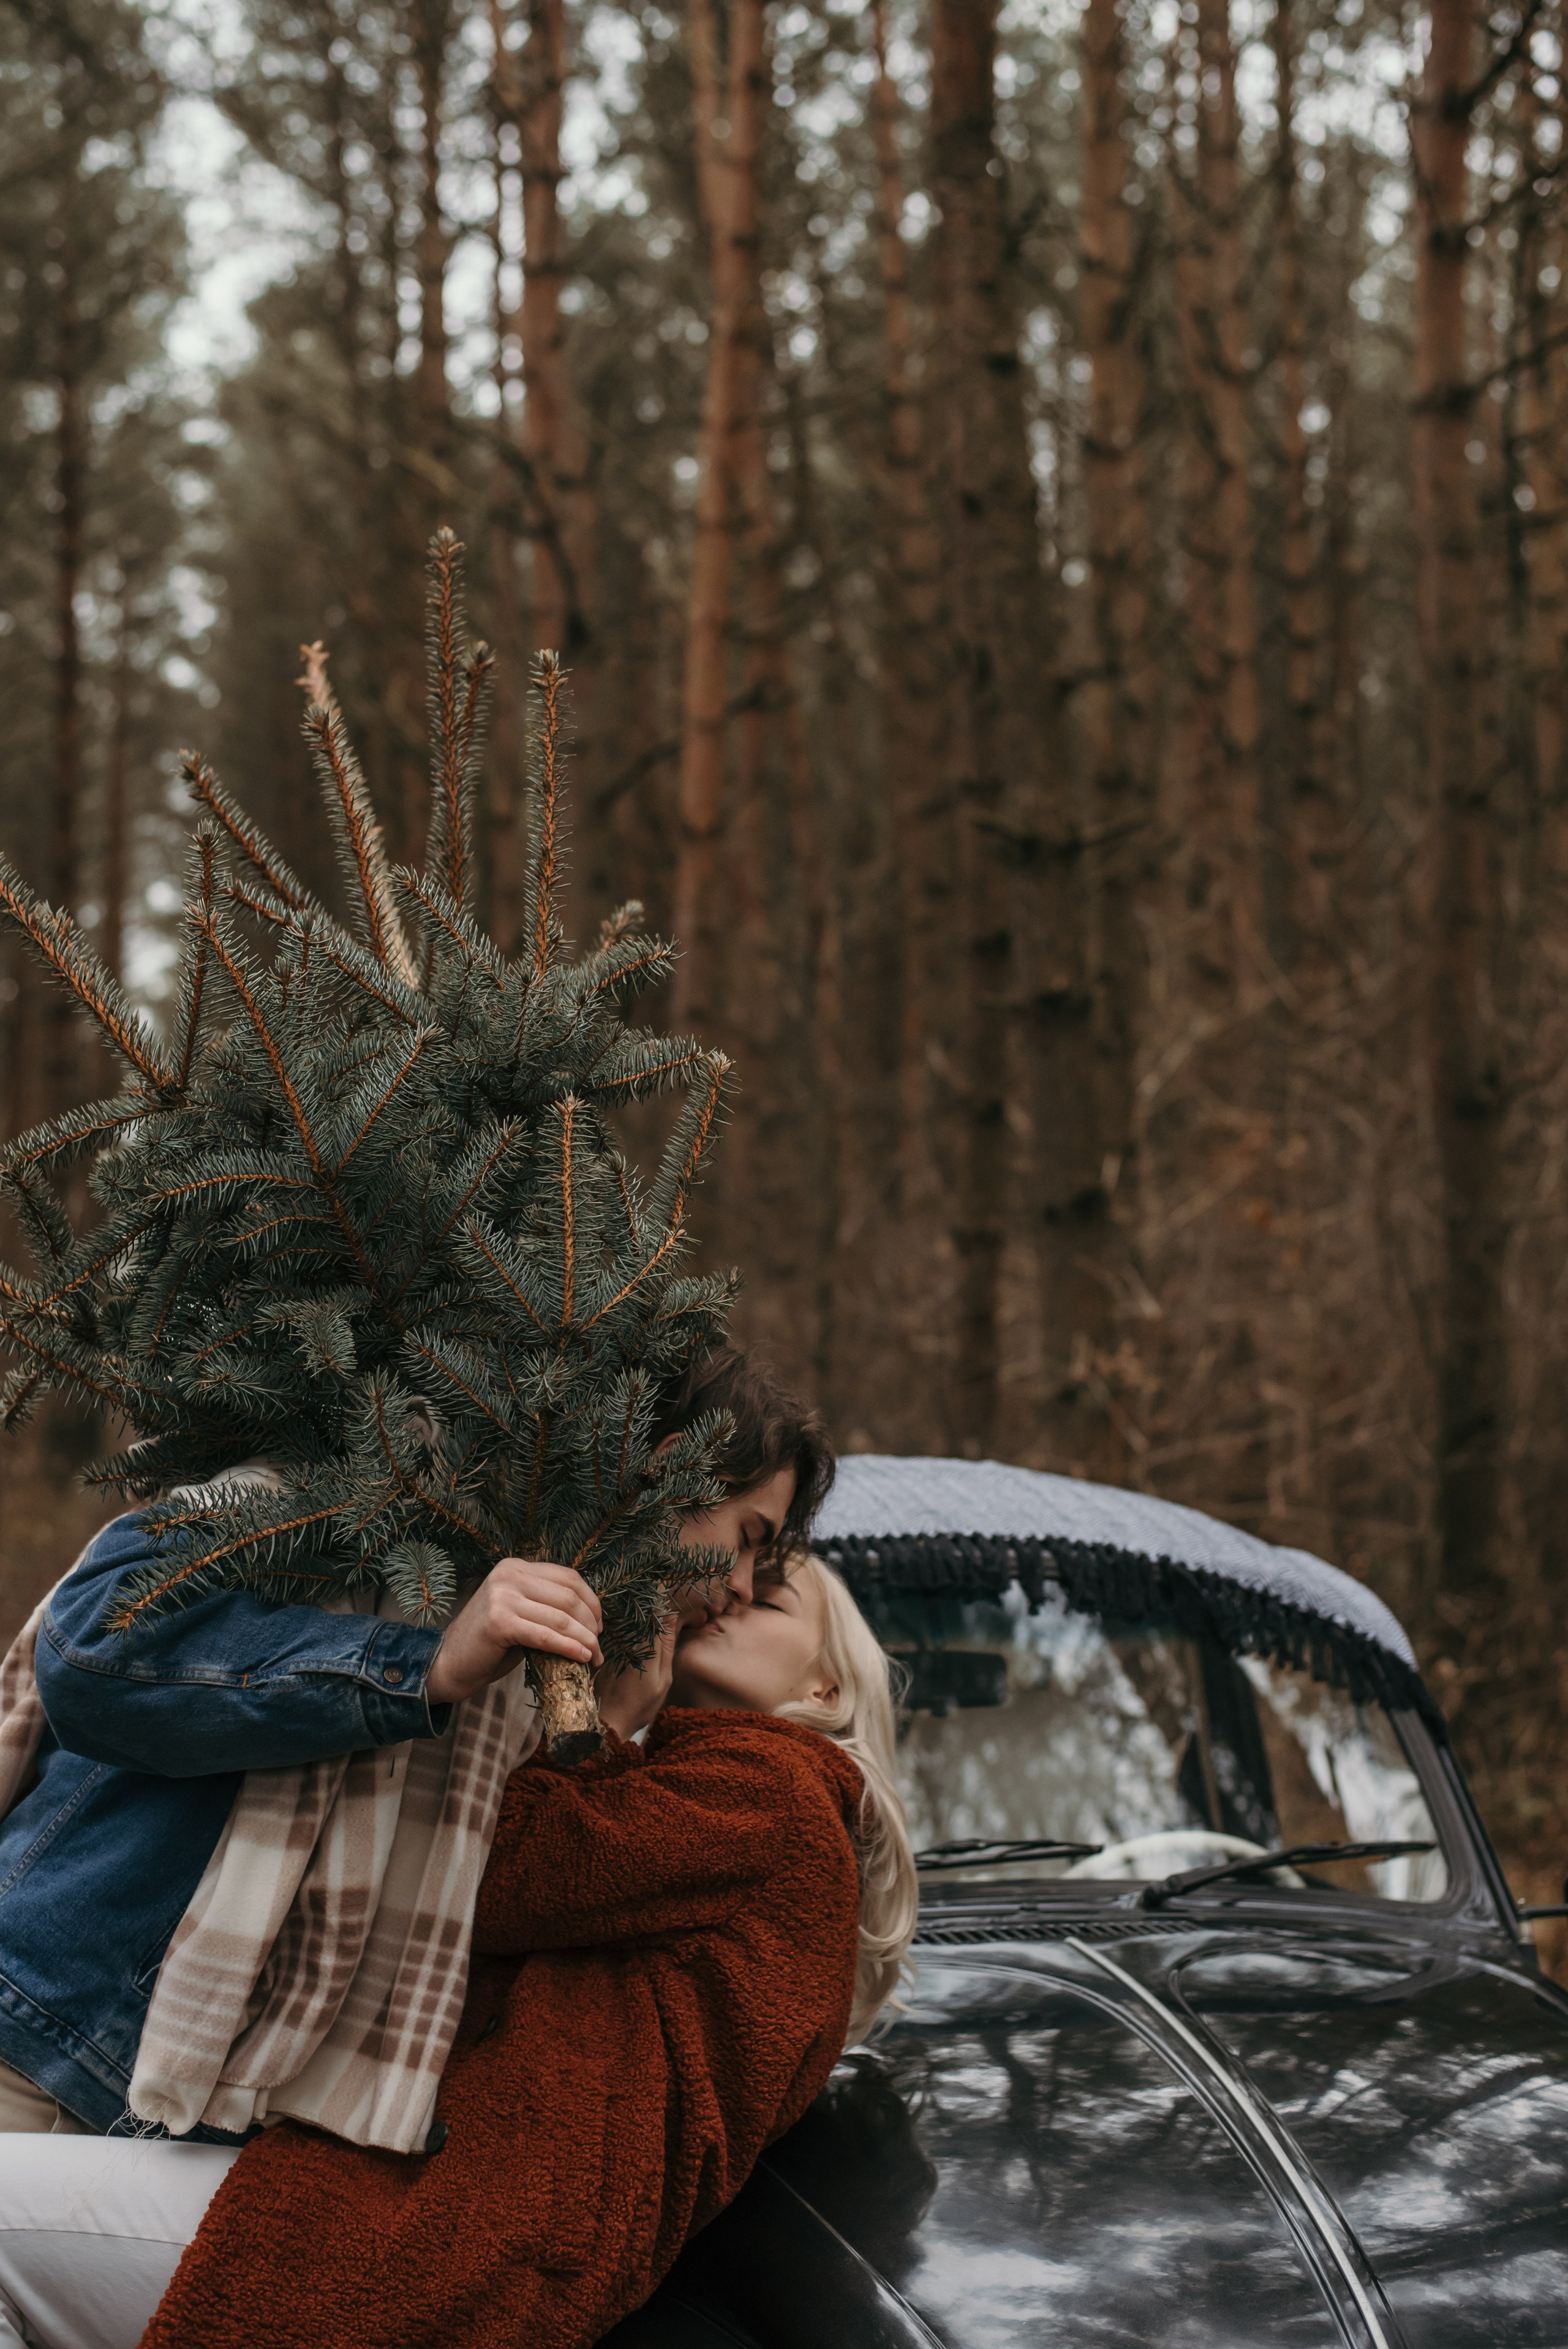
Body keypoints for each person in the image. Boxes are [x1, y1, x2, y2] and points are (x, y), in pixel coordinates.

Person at [0, 1551, 918, 2349]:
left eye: (769, 1597)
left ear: (824, 1690)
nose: (728, 1594)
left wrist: (600, 1710)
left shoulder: (781, 1790)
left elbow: (499, 1866)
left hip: (443, 2231)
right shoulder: (749, 1803)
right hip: (460, 2222)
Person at [0, 1345, 832, 2141]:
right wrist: (421, 1668)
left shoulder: (559, 1641)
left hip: (198, 2112)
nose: (740, 1588)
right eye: (751, 1537)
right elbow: (96, 1643)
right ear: (678, 1463)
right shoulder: (389, 1476)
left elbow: (502, 1895)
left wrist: (606, 1730)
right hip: (43, 2040)